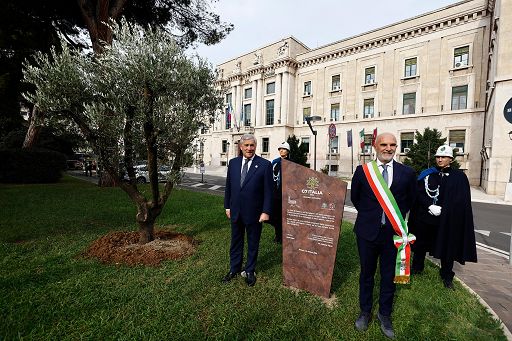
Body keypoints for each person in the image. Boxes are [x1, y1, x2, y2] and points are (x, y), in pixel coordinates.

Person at [351, 132, 416, 339]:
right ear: (376, 146)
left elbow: (410, 201)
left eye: (393, 145)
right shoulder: (363, 171)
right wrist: (372, 217)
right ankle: (365, 311)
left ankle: (384, 314)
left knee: (389, 276)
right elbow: (356, 199)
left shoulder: (407, 173)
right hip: (367, 233)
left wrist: (391, 221)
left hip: (393, 235)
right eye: (384, 144)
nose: (389, 148)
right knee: (366, 274)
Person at [409, 145, 477, 289]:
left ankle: (446, 276)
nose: (440, 160)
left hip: (447, 220)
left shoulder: (459, 177)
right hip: (427, 218)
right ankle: (417, 268)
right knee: (420, 244)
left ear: (451, 159)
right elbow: (418, 193)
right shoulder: (426, 174)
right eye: (438, 157)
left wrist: (446, 210)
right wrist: (429, 205)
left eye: (443, 157)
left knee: (448, 247)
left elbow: (461, 201)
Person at [222, 134, 273, 287]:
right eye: (247, 145)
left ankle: (250, 270)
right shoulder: (233, 163)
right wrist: (227, 206)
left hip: (255, 213)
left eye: (252, 145)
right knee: (235, 242)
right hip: (236, 211)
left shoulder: (264, 164)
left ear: (255, 146)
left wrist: (266, 211)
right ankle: (234, 268)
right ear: (241, 146)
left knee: (253, 242)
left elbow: (269, 192)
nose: (249, 148)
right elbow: (229, 187)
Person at [269, 141, 290, 243]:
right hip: (276, 194)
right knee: (276, 217)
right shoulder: (274, 162)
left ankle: (287, 236)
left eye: (284, 149)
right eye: (280, 149)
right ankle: (278, 236)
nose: (281, 150)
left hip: (287, 195)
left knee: (286, 217)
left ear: (288, 151)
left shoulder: (291, 163)